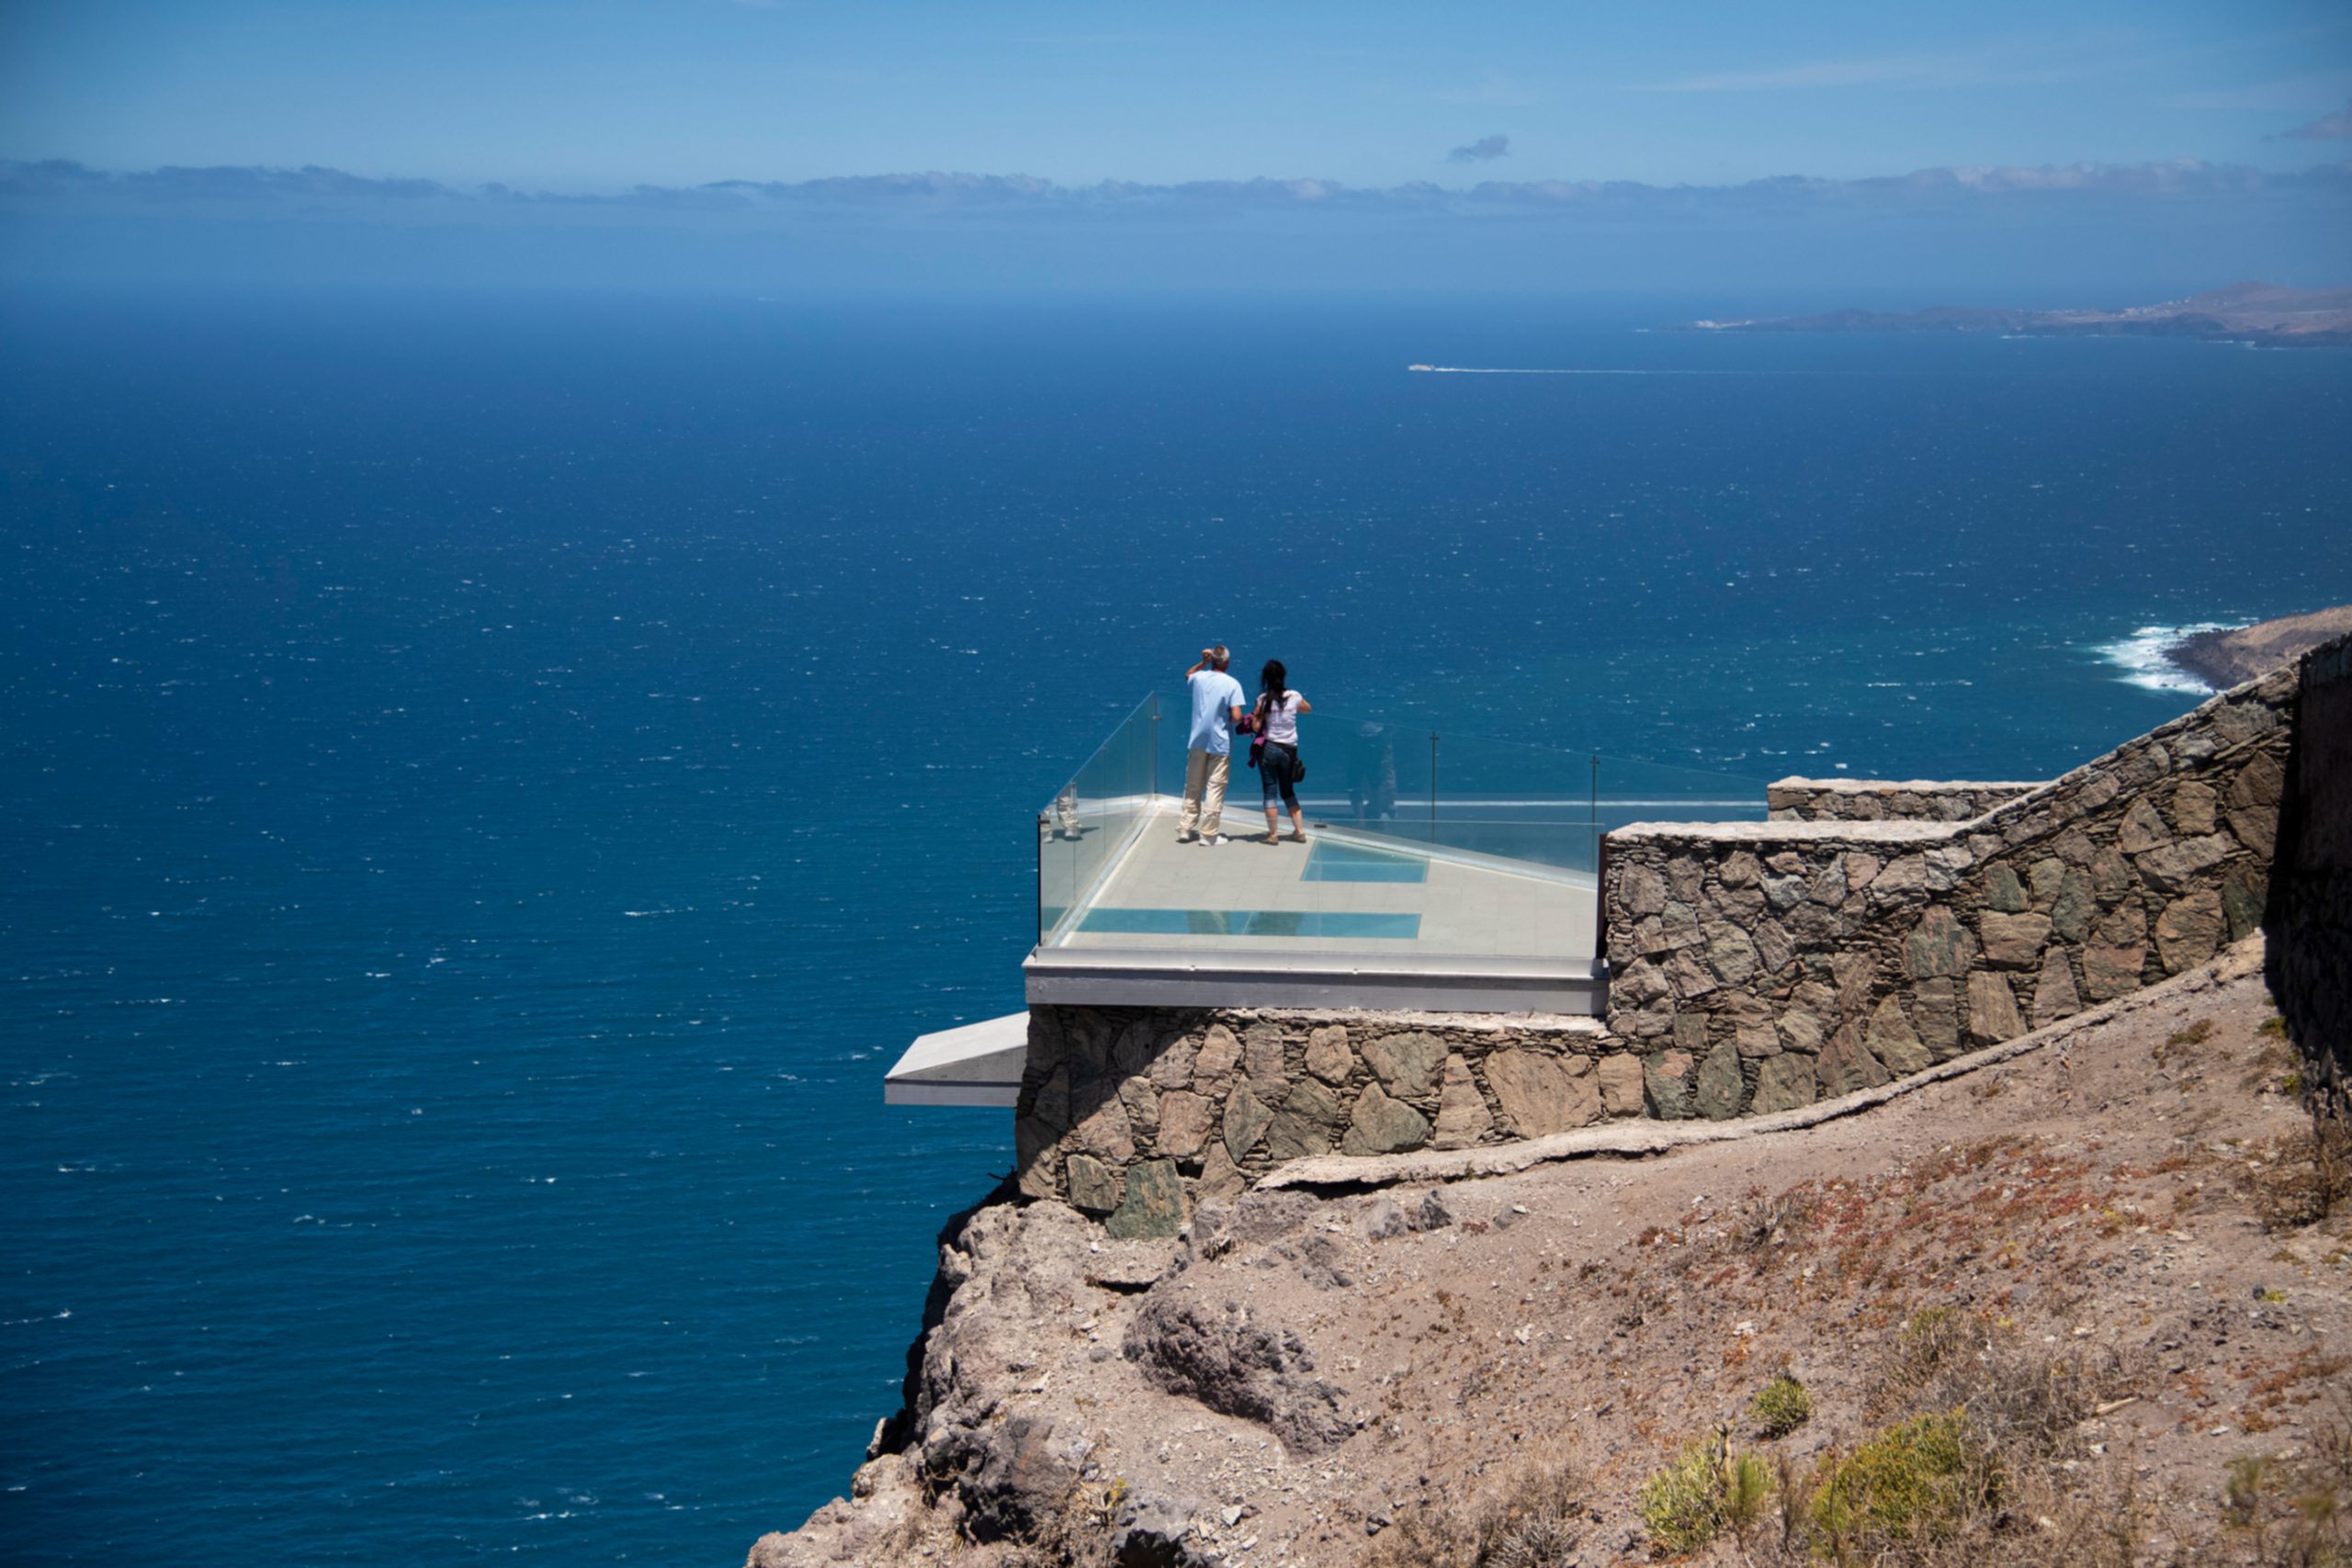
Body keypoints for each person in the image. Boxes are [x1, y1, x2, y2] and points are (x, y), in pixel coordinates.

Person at [1178, 645, 1246, 844]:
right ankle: (1208, 835)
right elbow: (1236, 717)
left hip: (1197, 740)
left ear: (1212, 660)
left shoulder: (1199, 678)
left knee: (1193, 786)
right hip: (1219, 743)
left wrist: (1203, 662)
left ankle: (1185, 828)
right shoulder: (1232, 684)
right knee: (1215, 788)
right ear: (1226, 662)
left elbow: (1188, 674)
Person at [1251, 659, 1311, 843]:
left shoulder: (1262, 700)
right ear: (1283, 676)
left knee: (1270, 791)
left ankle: (1273, 835)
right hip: (1289, 750)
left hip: (1269, 748)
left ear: (1266, 678)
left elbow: (1255, 726)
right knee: (1288, 791)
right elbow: (1307, 709)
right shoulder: (1294, 696)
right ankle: (1299, 831)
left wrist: (1256, 717)